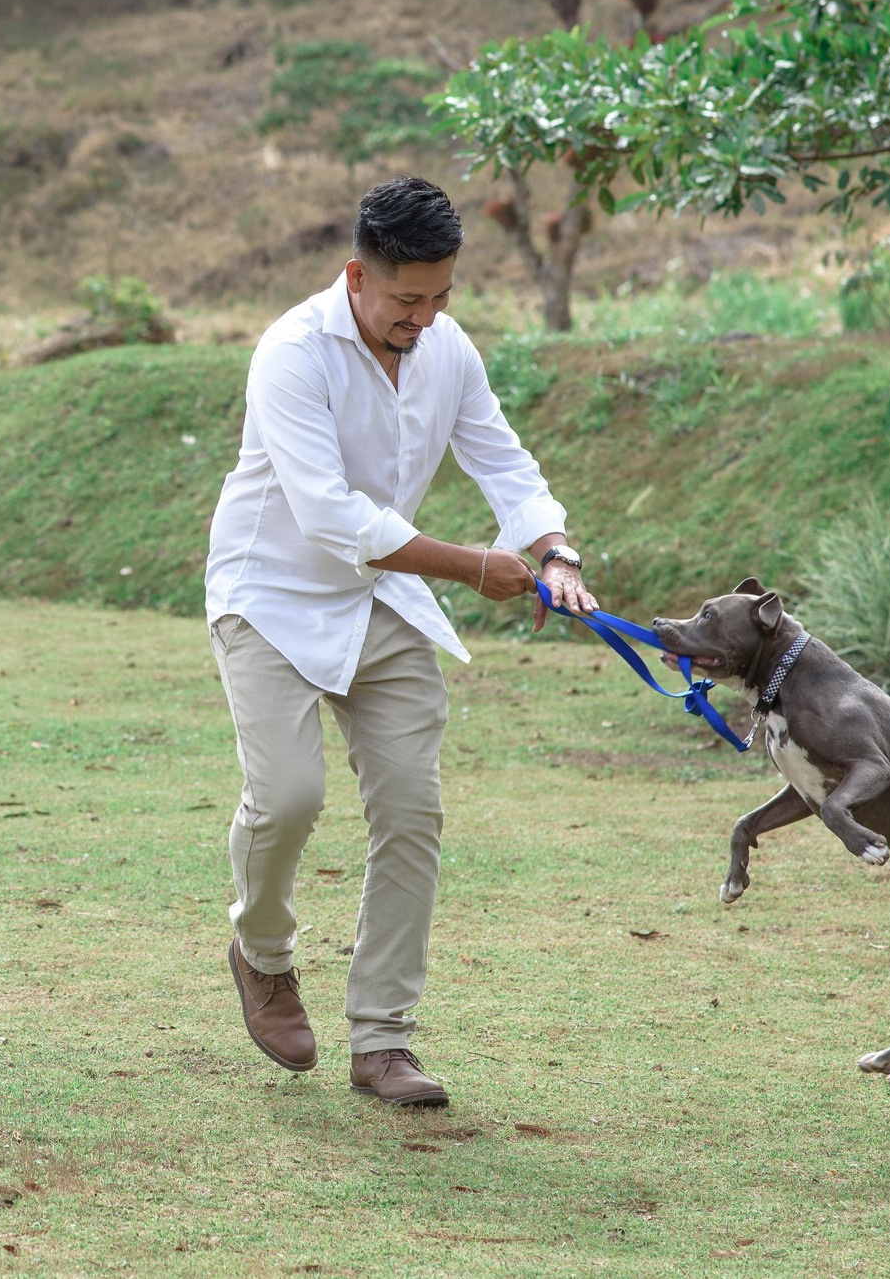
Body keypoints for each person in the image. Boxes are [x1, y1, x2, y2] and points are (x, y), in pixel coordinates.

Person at [203, 176, 596, 1108]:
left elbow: (502, 459)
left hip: (384, 601)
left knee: (413, 812)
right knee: (289, 797)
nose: (423, 317)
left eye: (440, 297)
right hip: (271, 597)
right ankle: (260, 953)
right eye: (406, 299)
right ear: (357, 276)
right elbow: (331, 515)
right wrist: (472, 566)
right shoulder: (292, 354)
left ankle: (383, 1040)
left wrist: (554, 552)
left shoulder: (446, 348)